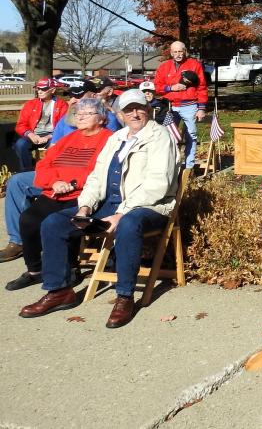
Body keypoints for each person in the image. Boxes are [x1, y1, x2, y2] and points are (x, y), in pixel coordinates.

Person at [19, 89, 178, 327]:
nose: (134, 113)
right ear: (121, 115)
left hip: (150, 206)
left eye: (139, 108)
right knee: (54, 222)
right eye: (128, 110)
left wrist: (122, 212)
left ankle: (124, 296)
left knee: (128, 224)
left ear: (147, 109)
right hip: (111, 204)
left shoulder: (160, 136)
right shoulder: (117, 138)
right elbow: (96, 177)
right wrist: (84, 207)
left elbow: (158, 185)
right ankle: (60, 290)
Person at [5, 98, 113, 291]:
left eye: (87, 114)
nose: (80, 117)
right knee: (28, 219)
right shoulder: (68, 139)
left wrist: (71, 183)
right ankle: (35, 271)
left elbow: (100, 170)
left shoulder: (109, 139)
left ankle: (71, 268)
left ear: (102, 118)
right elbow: (44, 164)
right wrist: (54, 181)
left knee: (63, 222)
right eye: (78, 113)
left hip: (83, 194)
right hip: (55, 191)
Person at [153, 41, 207, 168]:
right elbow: (157, 87)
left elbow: (202, 87)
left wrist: (201, 108)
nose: (178, 54)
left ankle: (189, 167)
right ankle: (171, 166)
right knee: (168, 137)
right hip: (170, 107)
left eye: (180, 51)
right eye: (175, 52)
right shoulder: (164, 67)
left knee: (191, 136)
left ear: (185, 51)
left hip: (190, 105)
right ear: (171, 53)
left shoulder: (195, 65)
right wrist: (170, 88)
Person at [13, 78, 68, 172]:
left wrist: (49, 137)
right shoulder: (30, 104)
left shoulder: (62, 105)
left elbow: (64, 126)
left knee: (55, 146)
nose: (40, 91)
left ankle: (49, 171)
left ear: (53, 90)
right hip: (33, 134)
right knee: (20, 144)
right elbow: (21, 125)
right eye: (38, 88)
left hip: (52, 135)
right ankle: (27, 172)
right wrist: (31, 134)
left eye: (44, 89)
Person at [48, 80, 122, 145]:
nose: (73, 100)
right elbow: (53, 147)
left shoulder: (108, 119)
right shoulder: (65, 120)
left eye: (78, 96)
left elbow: (111, 150)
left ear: (93, 96)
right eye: (71, 96)